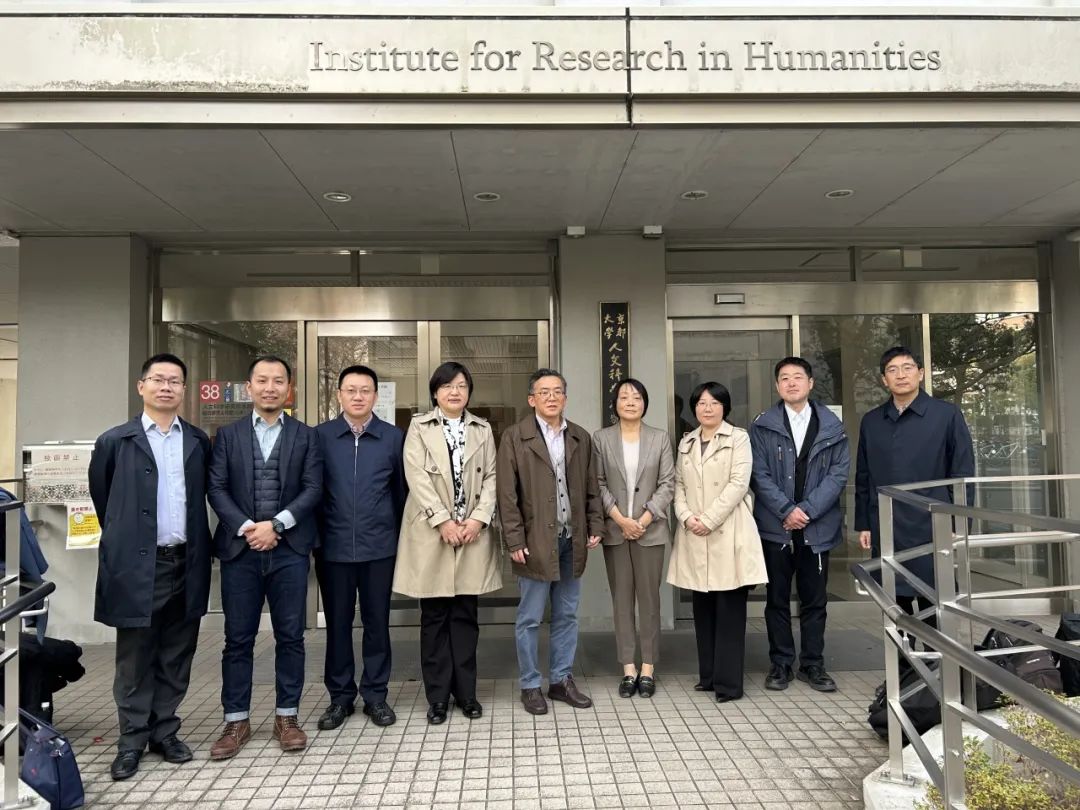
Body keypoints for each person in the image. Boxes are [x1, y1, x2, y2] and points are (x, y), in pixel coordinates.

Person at [88, 353, 212, 780]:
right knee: (135, 656)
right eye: (158, 379)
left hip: (186, 561)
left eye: (174, 381)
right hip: (140, 565)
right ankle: (131, 740)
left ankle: (165, 731)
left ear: (184, 390)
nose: (166, 387)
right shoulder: (114, 441)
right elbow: (105, 500)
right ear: (141, 386)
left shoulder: (196, 440)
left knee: (178, 651)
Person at [206, 355, 322, 759]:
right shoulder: (227, 435)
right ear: (249, 386)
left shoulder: (306, 436)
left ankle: (287, 717)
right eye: (262, 380)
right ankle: (236, 720)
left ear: (289, 388)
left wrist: (276, 525)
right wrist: (247, 527)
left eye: (278, 381)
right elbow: (216, 488)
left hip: (289, 551)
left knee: (291, 636)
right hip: (240, 551)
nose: (270, 387)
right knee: (238, 639)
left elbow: (313, 488)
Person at [392, 362, 500, 724]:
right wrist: (442, 521)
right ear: (435, 393)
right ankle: (437, 697)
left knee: (466, 616)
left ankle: (467, 694)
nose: (455, 392)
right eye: (447, 386)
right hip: (431, 532)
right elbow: (416, 476)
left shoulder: (482, 428)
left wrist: (478, 518)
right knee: (435, 617)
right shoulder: (419, 427)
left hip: (471, 532)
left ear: (469, 392)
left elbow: (492, 477)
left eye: (461, 386)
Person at [496, 368, 605, 715]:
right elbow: (506, 495)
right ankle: (530, 684)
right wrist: (514, 539)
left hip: (570, 538)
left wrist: (595, 524)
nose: (551, 397)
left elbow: (591, 487)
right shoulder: (515, 437)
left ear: (565, 398)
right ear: (532, 399)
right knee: (530, 617)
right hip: (534, 541)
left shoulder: (580, 437)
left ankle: (560, 680)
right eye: (543, 392)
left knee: (567, 614)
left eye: (557, 391)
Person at [314, 364, 407, 729]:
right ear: (339, 395)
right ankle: (340, 698)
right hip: (333, 549)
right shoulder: (320, 437)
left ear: (375, 396)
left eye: (365, 390)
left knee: (376, 623)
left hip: (379, 548)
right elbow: (313, 491)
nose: (357, 396)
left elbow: (400, 494)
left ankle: (375, 696)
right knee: (337, 625)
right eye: (350, 390)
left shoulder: (393, 437)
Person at [750, 357, 849, 693]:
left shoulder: (833, 427)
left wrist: (805, 510)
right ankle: (780, 663)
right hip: (776, 527)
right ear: (777, 386)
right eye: (784, 378)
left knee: (815, 600)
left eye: (797, 377)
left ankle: (812, 664)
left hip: (816, 526)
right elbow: (758, 474)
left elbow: (838, 474)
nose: (791, 383)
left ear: (810, 383)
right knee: (776, 599)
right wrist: (785, 510)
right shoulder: (763, 426)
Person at [855, 346, 974, 623]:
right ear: (884, 379)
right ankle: (901, 653)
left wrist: (958, 523)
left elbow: (962, 473)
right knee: (894, 607)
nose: (900, 375)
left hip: (933, 524)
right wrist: (864, 523)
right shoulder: (872, 421)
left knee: (935, 604)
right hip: (888, 524)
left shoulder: (946, 415)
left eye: (907, 368)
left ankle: (937, 652)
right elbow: (864, 474)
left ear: (920, 373)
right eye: (892, 370)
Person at [668, 381, 767, 703]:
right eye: (701, 403)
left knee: (729, 611)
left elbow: (739, 483)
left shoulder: (739, 438)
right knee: (703, 609)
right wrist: (686, 517)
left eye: (714, 403)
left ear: (725, 407)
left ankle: (729, 684)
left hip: (728, 531)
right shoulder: (686, 442)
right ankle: (708, 676)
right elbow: (678, 486)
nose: (707, 408)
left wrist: (708, 519)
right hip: (695, 533)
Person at [592, 378, 674, 698]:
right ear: (615, 404)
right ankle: (628, 668)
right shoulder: (601, 439)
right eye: (624, 397)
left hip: (650, 531)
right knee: (622, 600)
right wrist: (620, 520)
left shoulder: (659, 438)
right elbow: (597, 482)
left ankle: (648, 667)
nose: (630, 402)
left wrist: (642, 520)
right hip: (616, 530)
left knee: (650, 600)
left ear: (645, 403)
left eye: (637, 397)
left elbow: (667, 483)